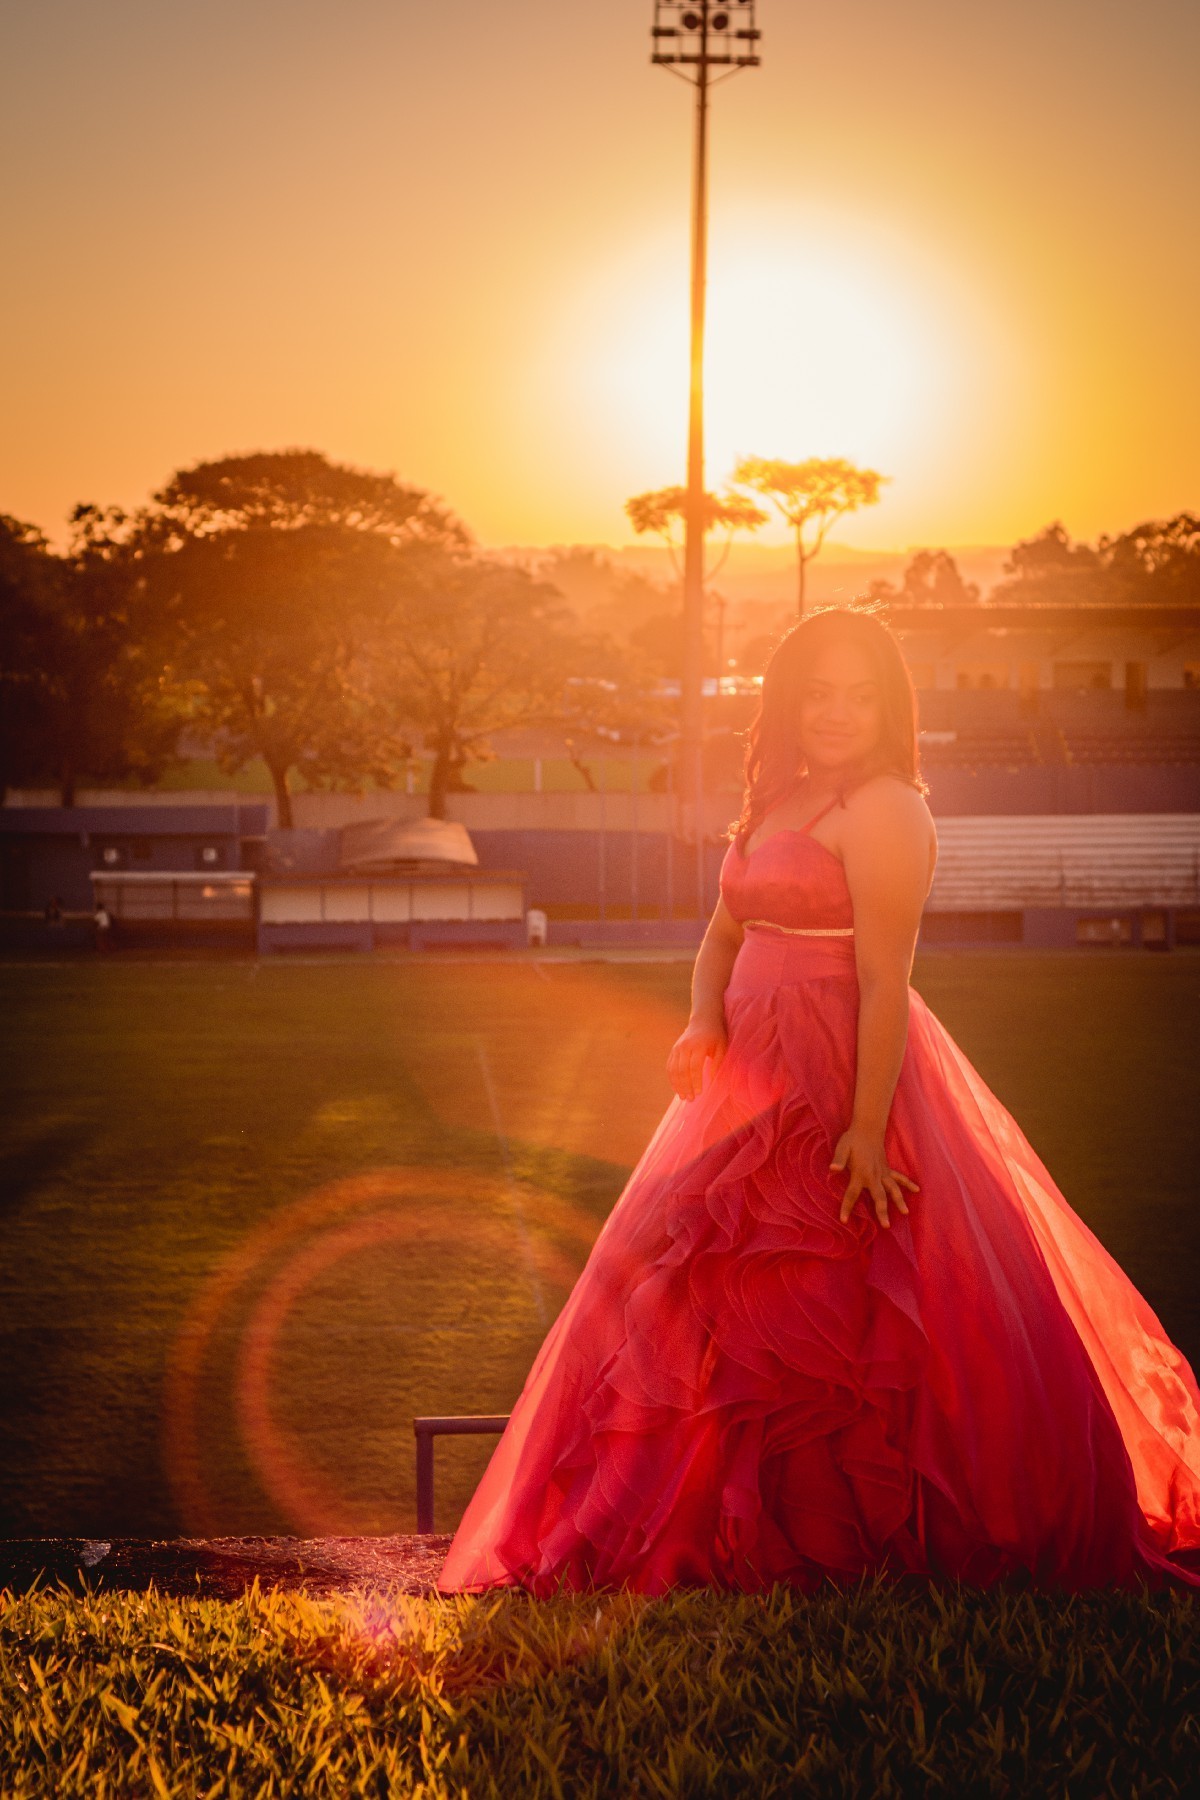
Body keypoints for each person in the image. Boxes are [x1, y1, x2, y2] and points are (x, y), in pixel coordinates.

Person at [439, 606, 1200, 1595]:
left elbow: (885, 980)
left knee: (843, 1304)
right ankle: (712, 1537)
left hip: (843, 1069)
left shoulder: (889, 808)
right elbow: (722, 933)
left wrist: (869, 1131)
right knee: (700, 1297)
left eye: (861, 694)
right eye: (818, 692)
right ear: (788, 703)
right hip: (744, 1081)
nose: (837, 712)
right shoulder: (775, 802)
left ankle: (846, 1534)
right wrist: (702, 1021)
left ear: (892, 707)